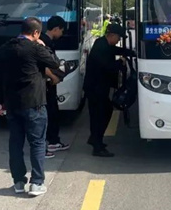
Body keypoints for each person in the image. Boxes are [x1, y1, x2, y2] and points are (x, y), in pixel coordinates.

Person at [0, 17, 60, 196]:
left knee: (16, 143)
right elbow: (55, 63)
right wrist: (44, 46)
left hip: (11, 104)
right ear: (36, 32)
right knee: (37, 143)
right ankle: (37, 183)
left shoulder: (4, 48)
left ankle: (18, 182)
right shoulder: (35, 48)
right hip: (34, 103)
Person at [83, 23, 135, 157]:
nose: (118, 40)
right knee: (100, 115)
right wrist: (120, 62)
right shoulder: (101, 47)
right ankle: (97, 146)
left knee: (102, 113)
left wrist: (131, 53)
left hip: (98, 87)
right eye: (118, 37)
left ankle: (95, 139)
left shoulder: (103, 43)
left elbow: (115, 50)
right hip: (96, 88)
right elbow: (107, 66)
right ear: (112, 35)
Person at [40, 15, 71, 155]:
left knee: (51, 111)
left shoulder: (44, 40)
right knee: (50, 112)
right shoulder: (45, 43)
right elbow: (42, 64)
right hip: (46, 83)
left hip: (46, 83)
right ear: (56, 29)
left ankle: (52, 140)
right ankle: (52, 141)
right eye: (61, 31)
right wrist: (54, 77)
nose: (62, 34)